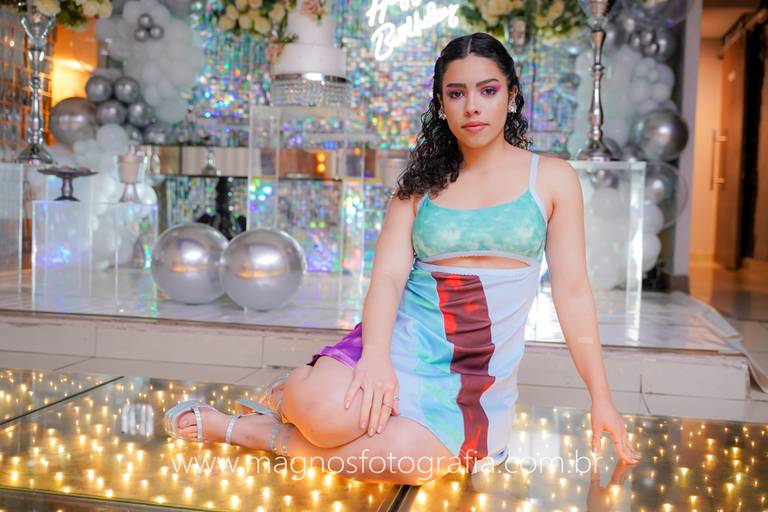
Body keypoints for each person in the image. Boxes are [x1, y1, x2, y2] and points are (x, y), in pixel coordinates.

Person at [163, 32, 641, 486]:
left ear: (511, 95)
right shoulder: (420, 185)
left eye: (488, 90)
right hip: (400, 343)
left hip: (475, 376)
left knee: (408, 463)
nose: (472, 106)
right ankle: (296, 395)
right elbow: (389, 279)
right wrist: (376, 359)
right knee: (325, 417)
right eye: (456, 93)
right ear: (441, 104)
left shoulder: (553, 178)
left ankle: (257, 432)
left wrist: (600, 397)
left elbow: (573, 292)